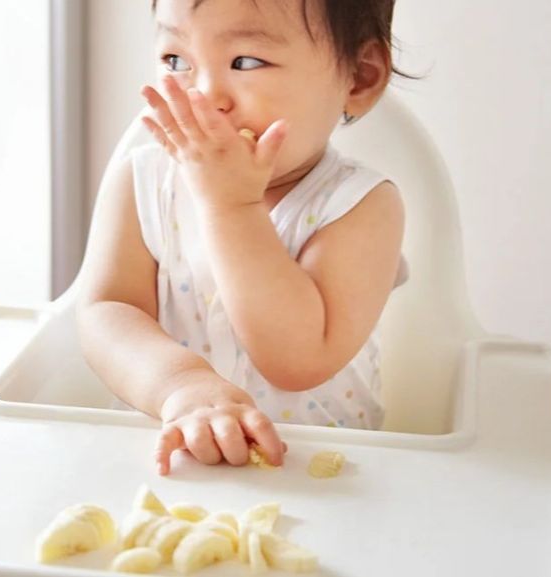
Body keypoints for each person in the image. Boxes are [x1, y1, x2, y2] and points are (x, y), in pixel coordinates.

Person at [76, 0, 407, 476]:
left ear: (359, 76)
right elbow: (106, 313)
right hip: (169, 458)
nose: (206, 96)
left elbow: (298, 359)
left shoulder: (361, 206)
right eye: (177, 60)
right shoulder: (144, 181)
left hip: (319, 471)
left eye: (246, 62)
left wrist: (231, 206)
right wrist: (180, 387)